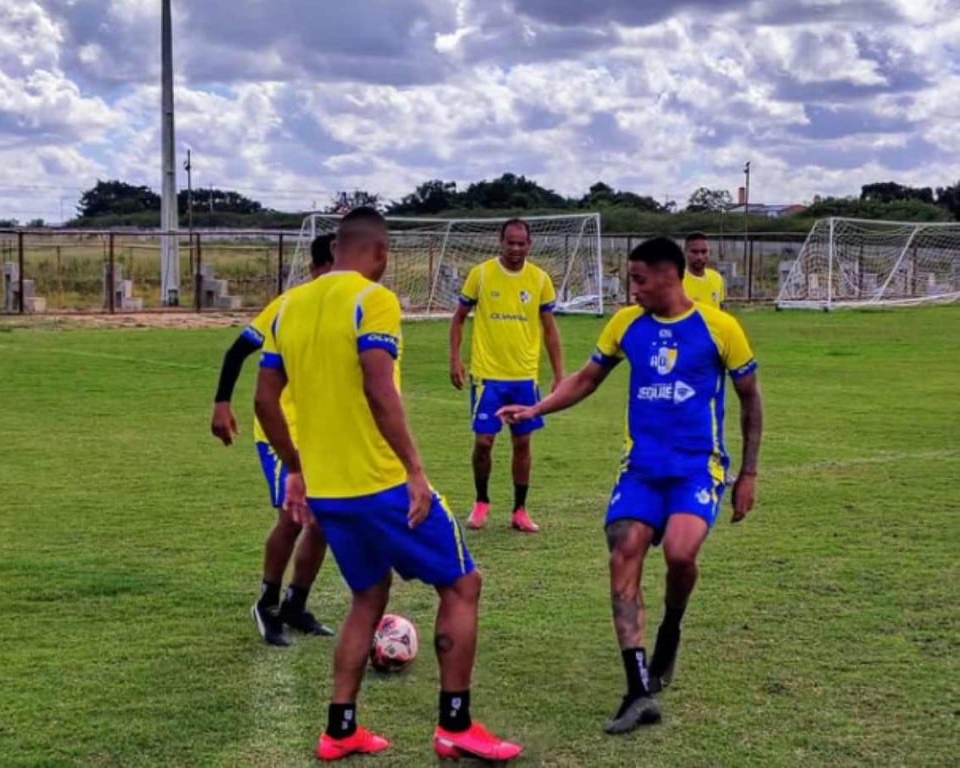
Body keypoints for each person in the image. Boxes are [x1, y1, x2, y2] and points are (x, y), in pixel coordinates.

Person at [255, 207, 522, 763]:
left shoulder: (289, 307)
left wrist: (296, 468)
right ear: (380, 253)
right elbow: (381, 389)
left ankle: (341, 728)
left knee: (368, 596)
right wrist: (416, 472)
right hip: (380, 483)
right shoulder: (373, 299)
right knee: (463, 585)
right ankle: (455, 725)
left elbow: (263, 401)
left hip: (329, 490)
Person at [498, 236, 762, 735]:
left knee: (682, 555)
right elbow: (585, 379)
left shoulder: (720, 328)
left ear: (670, 275)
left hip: (695, 469)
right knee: (624, 548)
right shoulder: (625, 324)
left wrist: (747, 473)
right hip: (640, 470)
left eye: (639, 278)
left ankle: (671, 629)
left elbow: (751, 400)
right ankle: (638, 691)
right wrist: (537, 408)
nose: (631, 287)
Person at [210, 233, 336, 646]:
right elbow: (235, 352)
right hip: (281, 431)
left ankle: (296, 605)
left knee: (323, 519)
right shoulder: (288, 306)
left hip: (324, 432)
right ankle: (266, 602)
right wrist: (222, 404)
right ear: (322, 265)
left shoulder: (347, 307)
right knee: (294, 515)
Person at [448, 218, 565, 533]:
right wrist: (455, 360)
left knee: (522, 442)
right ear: (500, 242)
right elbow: (458, 319)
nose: (515, 248)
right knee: (484, 441)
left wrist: (559, 374)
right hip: (487, 375)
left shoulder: (539, 279)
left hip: (524, 376)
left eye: (521, 243)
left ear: (530, 244)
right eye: (510, 242)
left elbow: (550, 329)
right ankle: (482, 501)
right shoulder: (481, 274)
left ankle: (519, 510)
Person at [682, 232, 726, 309]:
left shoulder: (717, 278)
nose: (700, 257)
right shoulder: (676, 281)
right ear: (685, 252)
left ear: (709, 252)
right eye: (694, 252)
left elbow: (720, 309)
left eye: (704, 251)